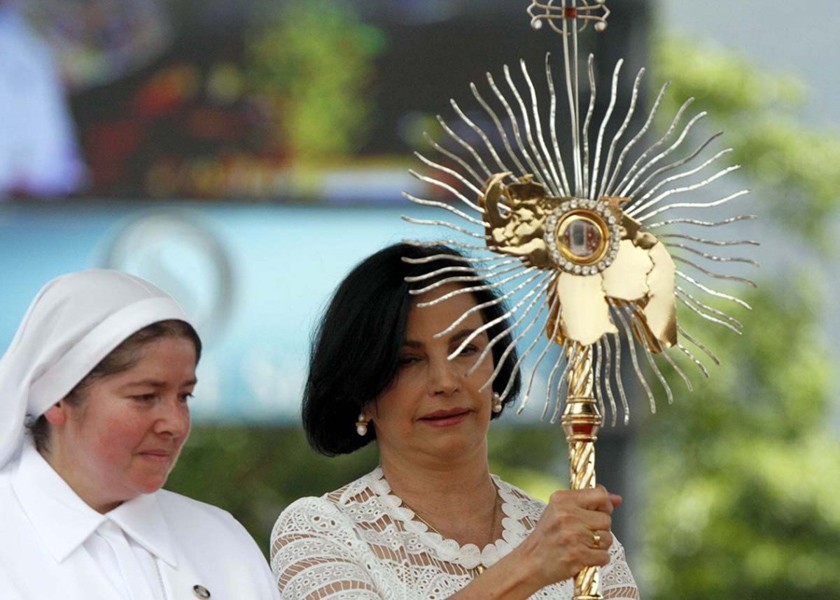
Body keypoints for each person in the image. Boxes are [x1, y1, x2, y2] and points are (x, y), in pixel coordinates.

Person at [270, 243, 639, 599]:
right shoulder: (321, 531)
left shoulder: (575, 541)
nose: (446, 382)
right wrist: (530, 566)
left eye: (466, 350)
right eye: (408, 361)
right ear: (362, 390)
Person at [0, 269, 279, 599]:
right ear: (58, 398)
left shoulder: (221, 540)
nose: (175, 424)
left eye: (184, 396)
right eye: (145, 397)